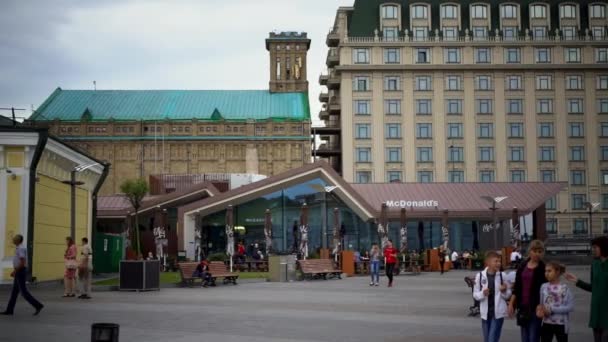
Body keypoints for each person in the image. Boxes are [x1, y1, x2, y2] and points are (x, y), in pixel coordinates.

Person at [565, 236, 608, 342]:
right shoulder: (595, 264)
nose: (593, 250)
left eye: (595, 247)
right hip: (596, 313)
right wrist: (577, 281)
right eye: (592, 247)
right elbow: (593, 287)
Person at [509, 240, 547, 342]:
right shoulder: (522, 265)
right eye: (535, 251)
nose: (537, 254)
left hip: (536, 308)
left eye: (540, 251)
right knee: (525, 338)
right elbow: (517, 287)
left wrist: (543, 305)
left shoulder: (543, 268)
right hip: (522, 307)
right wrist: (511, 304)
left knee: (533, 338)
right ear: (530, 251)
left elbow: (546, 289)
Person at [1, 234, 44, 315]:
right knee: (14, 292)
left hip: (20, 271)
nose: (13, 239)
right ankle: (9, 310)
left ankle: (38, 305)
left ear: (18, 240)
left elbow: (23, 262)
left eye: (15, 238)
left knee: (24, 292)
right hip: (19, 271)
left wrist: (15, 271)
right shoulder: (19, 248)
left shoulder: (20, 248)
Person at [473, 251, 511, 342]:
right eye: (496, 261)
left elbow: (508, 295)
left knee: (492, 339)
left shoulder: (503, 276)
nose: (498, 264)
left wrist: (504, 290)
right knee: (487, 339)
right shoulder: (480, 276)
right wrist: (483, 293)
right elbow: (475, 295)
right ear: (488, 262)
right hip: (485, 314)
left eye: (499, 261)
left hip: (498, 314)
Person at [539, 261, 573, 342]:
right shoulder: (543, 286)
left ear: (557, 272)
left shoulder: (564, 288)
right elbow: (541, 304)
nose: (546, 273)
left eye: (549, 271)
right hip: (546, 323)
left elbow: (570, 307)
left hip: (561, 324)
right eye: (545, 271)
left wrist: (552, 309)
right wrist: (540, 311)